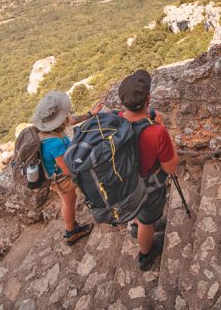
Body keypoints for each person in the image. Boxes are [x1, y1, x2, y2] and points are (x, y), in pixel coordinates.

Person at [118, 69, 180, 270]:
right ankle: (146, 254)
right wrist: (163, 128)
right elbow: (171, 166)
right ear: (149, 99)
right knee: (147, 221)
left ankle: (136, 224)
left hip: (124, 183)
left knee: (140, 212)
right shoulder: (156, 132)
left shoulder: (115, 121)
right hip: (146, 187)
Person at [31, 90, 103, 246]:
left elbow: (71, 120)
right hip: (61, 180)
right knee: (69, 202)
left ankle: (72, 228)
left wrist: (90, 114)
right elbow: (67, 170)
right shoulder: (54, 143)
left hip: (54, 175)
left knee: (69, 201)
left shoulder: (45, 129)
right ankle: (71, 232)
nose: (67, 117)